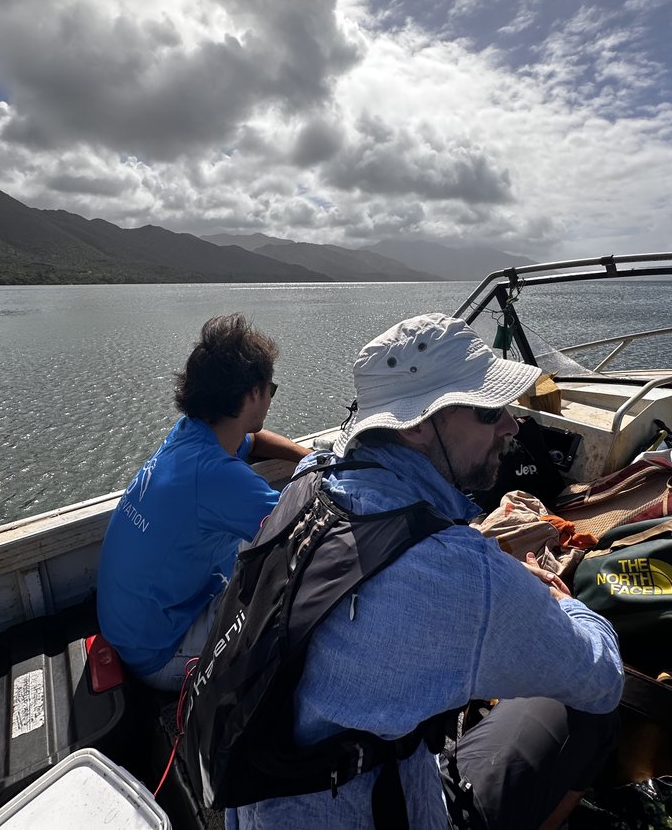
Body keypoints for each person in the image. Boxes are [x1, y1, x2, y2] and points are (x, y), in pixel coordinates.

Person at [230, 313, 624, 830]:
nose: (512, 424)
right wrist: (557, 597)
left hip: (263, 802)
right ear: (417, 426)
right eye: (489, 410)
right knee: (592, 710)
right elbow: (600, 677)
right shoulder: (456, 573)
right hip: (382, 812)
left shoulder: (311, 484)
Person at [97, 313, 310, 690]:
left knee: (253, 543)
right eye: (269, 389)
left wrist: (306, 456)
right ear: (250, 395)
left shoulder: (191, 435)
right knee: (296, 599)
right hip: (159, 653)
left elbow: (254, 442)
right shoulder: (217, 477)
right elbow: (304, 528)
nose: (270, 398)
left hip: (127, 627)